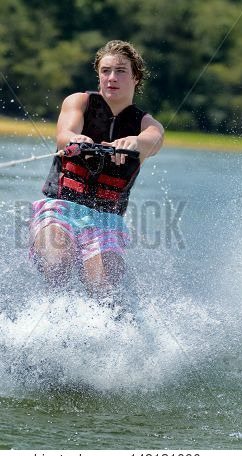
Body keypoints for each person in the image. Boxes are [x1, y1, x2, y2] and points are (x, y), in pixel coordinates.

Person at [30, 40, 164, 295]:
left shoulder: (147, 124)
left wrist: (135, 141)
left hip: (106, 221)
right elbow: (64, 133)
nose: (111, 78)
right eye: (105, 71)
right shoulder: (79, 102)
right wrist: (75, 139)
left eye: (121, 71)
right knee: (58, 265)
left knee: (105, 290)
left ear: (136, 77)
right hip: (61, 208)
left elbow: (154, 141)